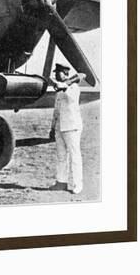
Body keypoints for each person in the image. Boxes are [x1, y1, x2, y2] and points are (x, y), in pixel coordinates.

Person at [48, 63, 86, 194]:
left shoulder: (74, 87)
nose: (56, 75)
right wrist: (52, 128)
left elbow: (68, 95)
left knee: (75, 156)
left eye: (58, 72)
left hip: (72, 127)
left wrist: (62, 85)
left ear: (65, 73)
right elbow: (56, 111)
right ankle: (61, 182)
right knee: (61, 156)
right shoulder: (61, 90)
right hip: (60, 127)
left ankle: (77, 184)